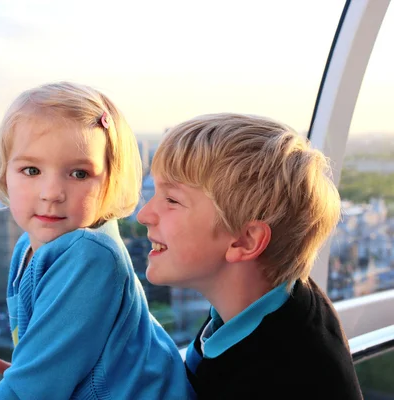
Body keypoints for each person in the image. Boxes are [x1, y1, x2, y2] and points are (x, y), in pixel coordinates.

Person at [0, 82, 193, 399]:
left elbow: (33, 393)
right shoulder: (27, 245)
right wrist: (27, 368)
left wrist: (20, 387)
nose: (51, 193)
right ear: (4, 176)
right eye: (31, 170)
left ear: (111, 184)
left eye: (79, 174)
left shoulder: (91, 257)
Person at [135, 113, 363, 399]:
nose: (144, 215)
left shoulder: (280, 377)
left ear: (245, 240)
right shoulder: (271, 309)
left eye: (172, 200)